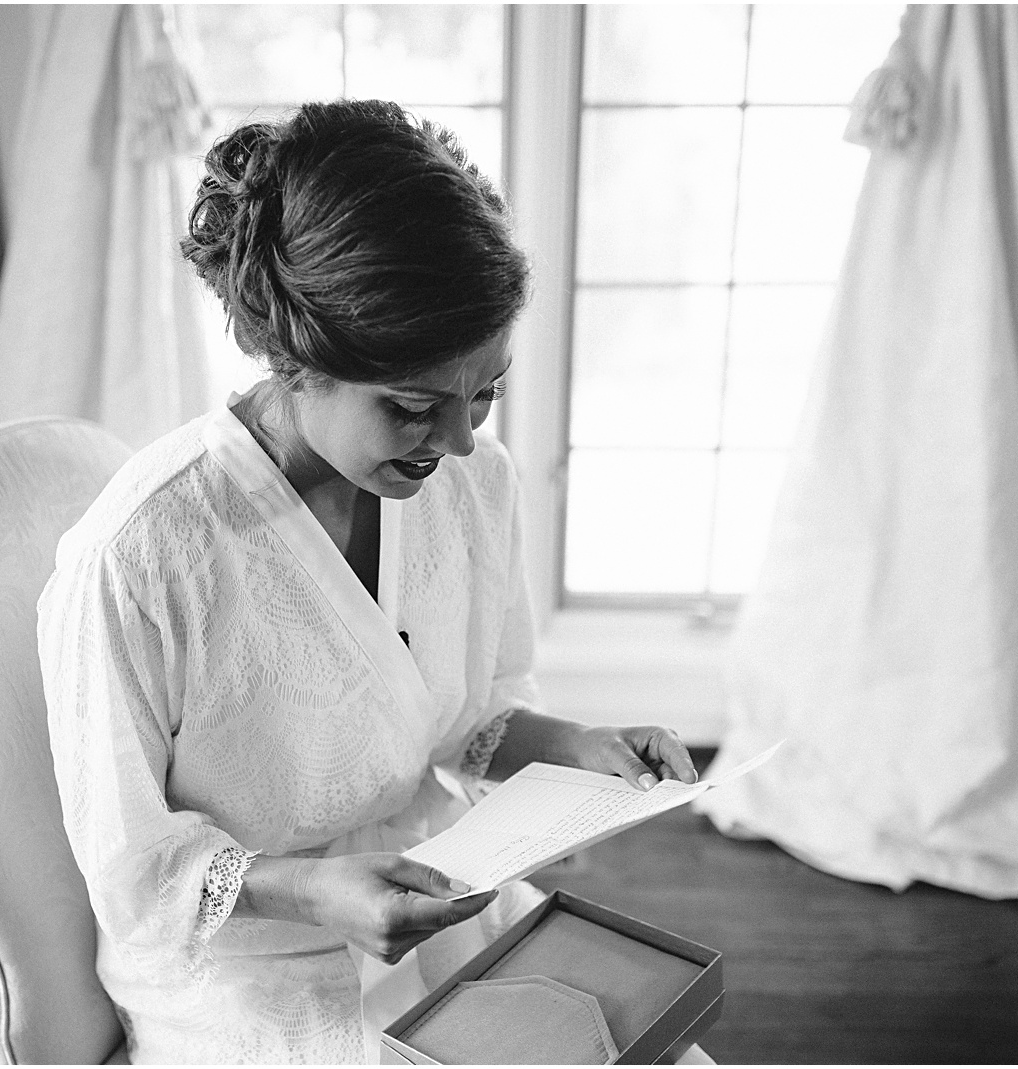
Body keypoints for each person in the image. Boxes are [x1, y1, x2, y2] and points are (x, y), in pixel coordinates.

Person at [37, 99, 699, 1064]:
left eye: (485, 392)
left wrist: (575, 745)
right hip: (248, 966)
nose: (461, 440)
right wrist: (312, 892)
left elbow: (469, 716)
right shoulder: (140, 556)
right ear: (297, 361)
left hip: (442, 895)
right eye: (415, 406)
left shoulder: (475, 481)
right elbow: (130, 867)